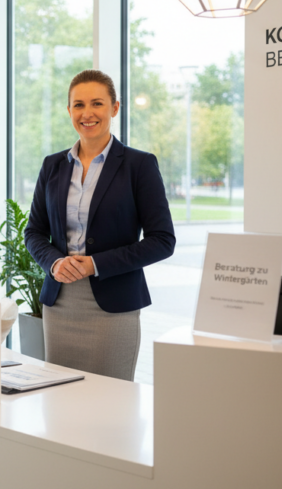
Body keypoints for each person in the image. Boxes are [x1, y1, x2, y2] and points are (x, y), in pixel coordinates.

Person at [23, 69, 175, 381]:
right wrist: (53, 263)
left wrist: (95, 264)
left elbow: (162, 239)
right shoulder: (52, 165)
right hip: (59, 303)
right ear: (69, 111)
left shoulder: (139, 165)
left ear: (114, 108)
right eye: (78, 105)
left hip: (113, 306)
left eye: (97, 104)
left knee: (111, 406)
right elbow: (34, 231)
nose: (87, 113)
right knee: (61, 402)